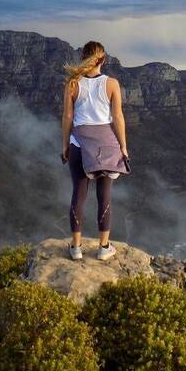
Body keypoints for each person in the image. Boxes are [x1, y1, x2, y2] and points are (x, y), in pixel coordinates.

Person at [60, 40, 130, 261]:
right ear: (103, 59)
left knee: (78, 195)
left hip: (79, 143)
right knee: (104, 196)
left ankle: (76, 248)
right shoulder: (111, 84)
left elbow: (67, 117)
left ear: (84, 57)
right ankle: (104, 247)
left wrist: (65, 145)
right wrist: (124, 147)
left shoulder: (73, 83)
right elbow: (117, 117)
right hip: (106, 146)